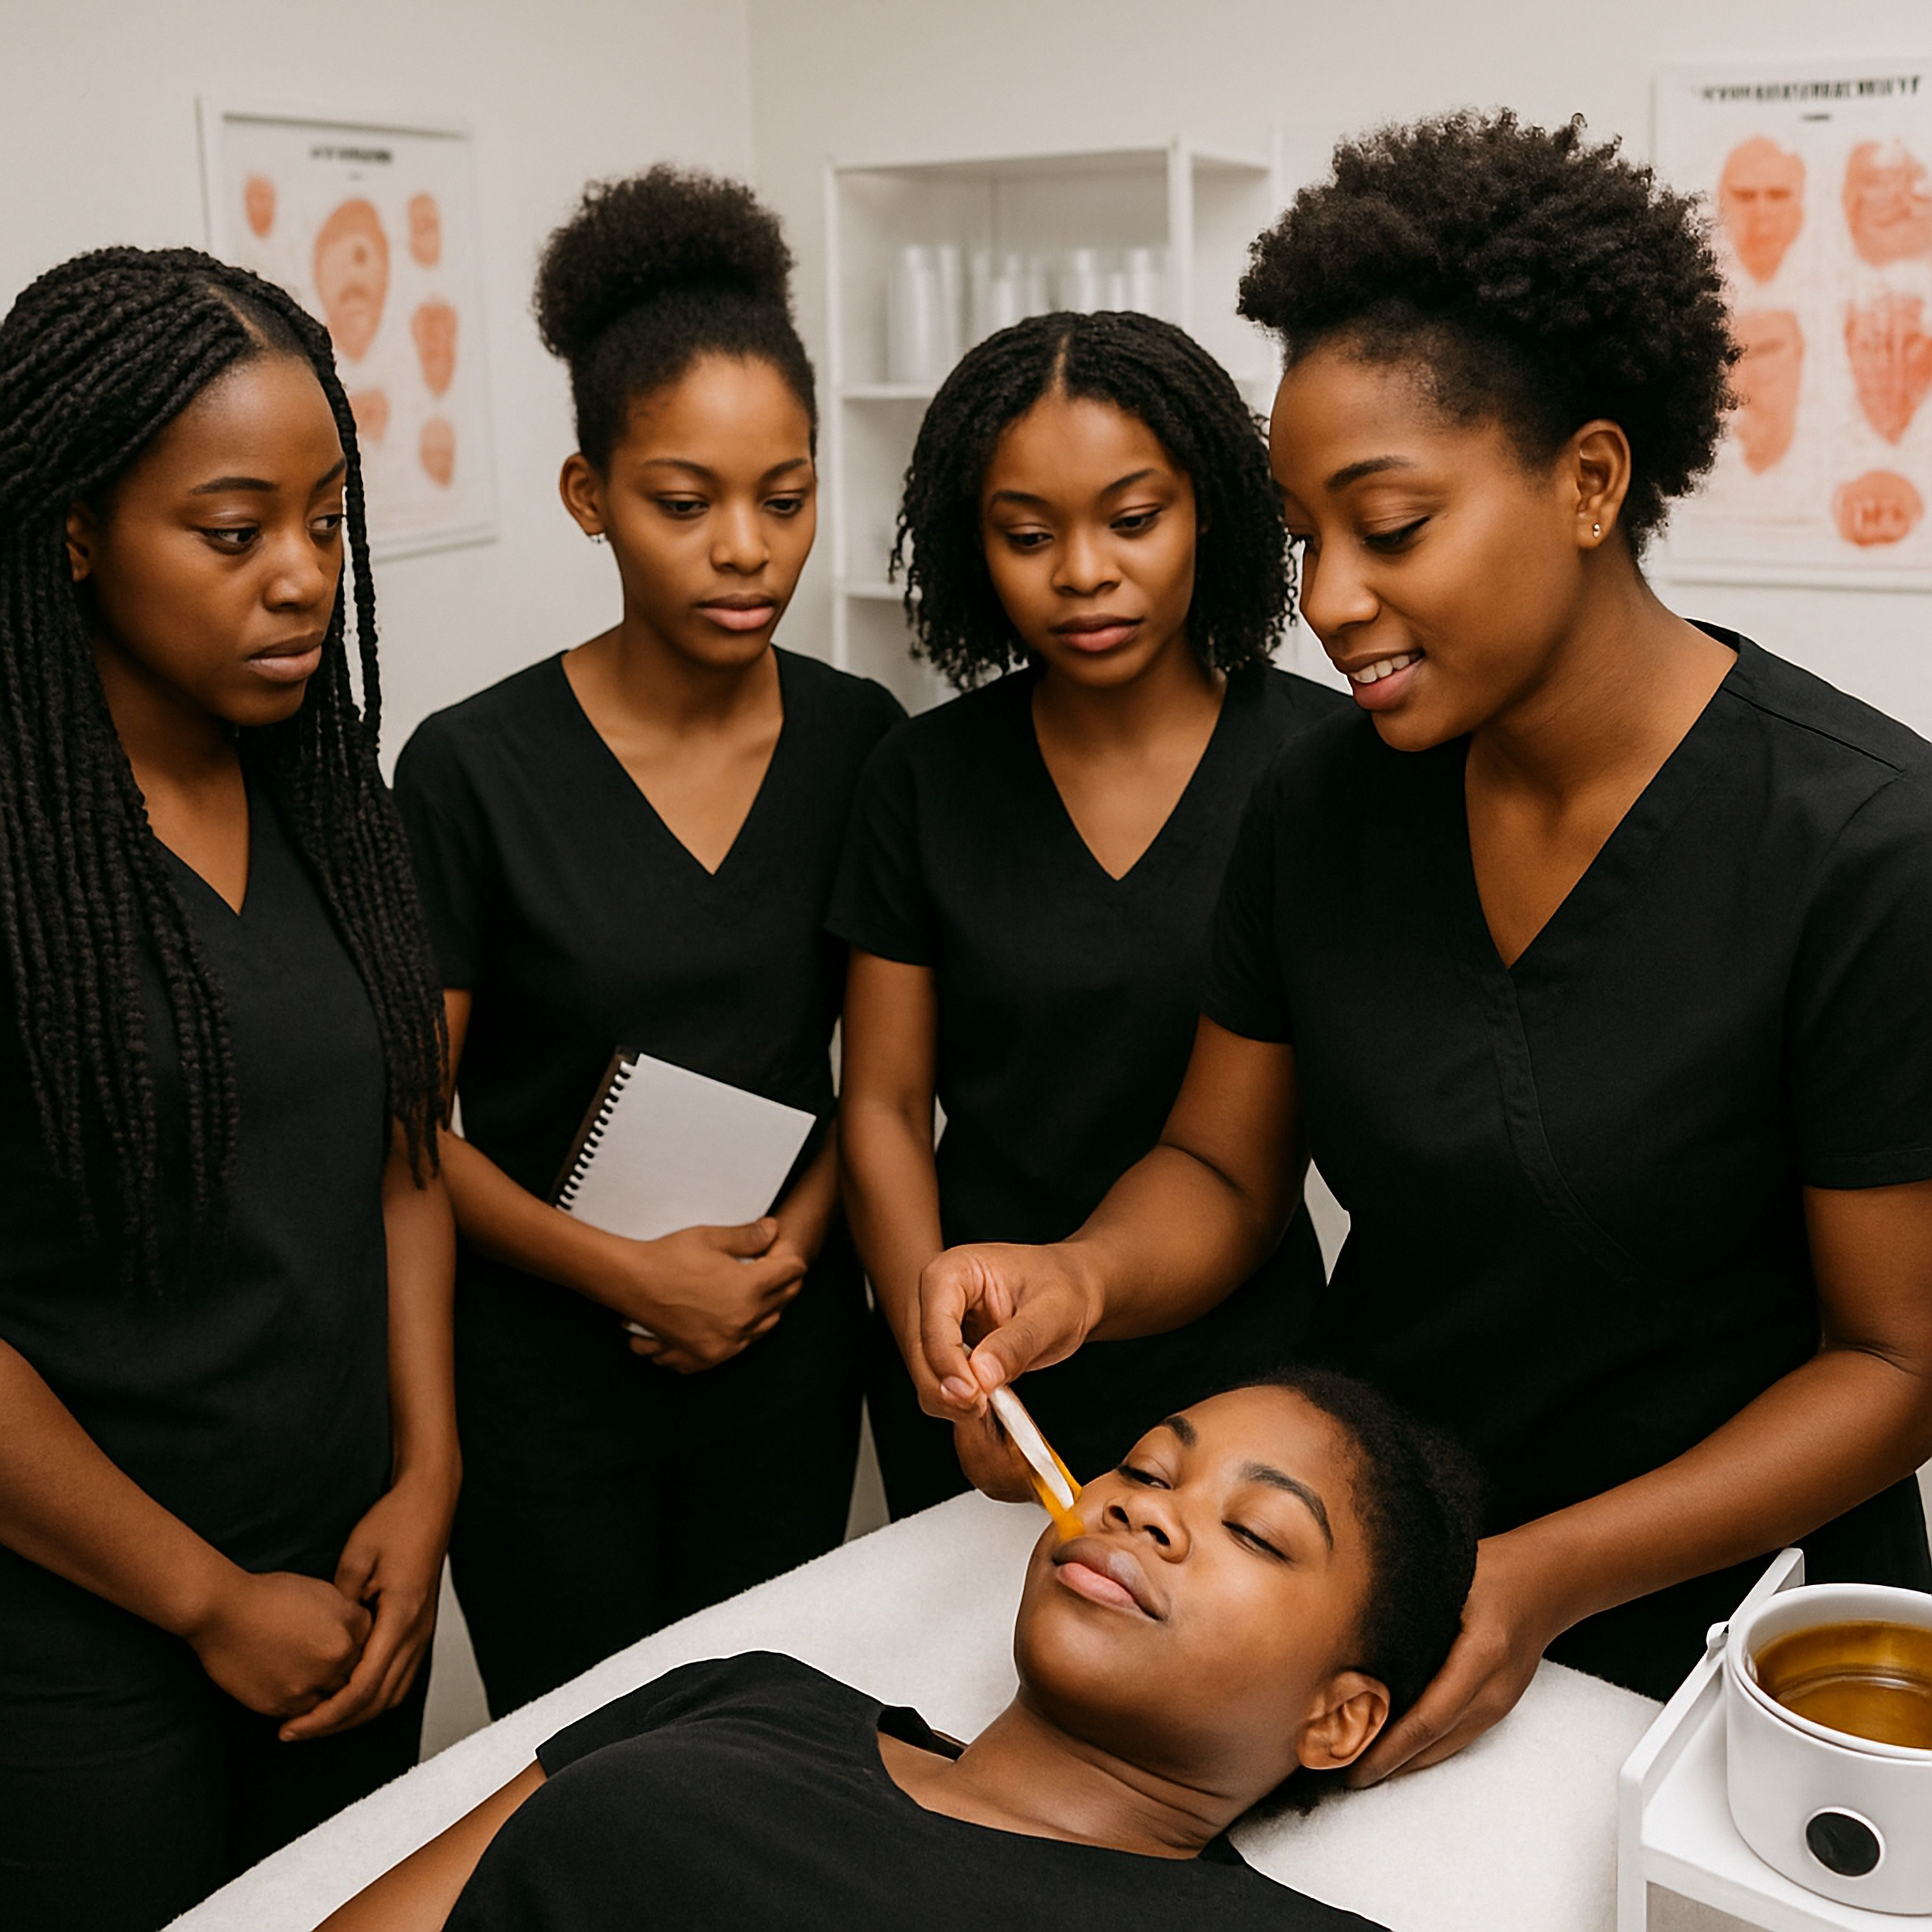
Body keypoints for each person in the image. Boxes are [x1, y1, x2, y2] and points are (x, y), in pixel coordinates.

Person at [913, 113, 1932, 1767]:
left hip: (1739, 1635)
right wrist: (1073, 1276)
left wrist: (1542, 1577)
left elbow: (1893, 1361)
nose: (1322, 596)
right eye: (1303, 531)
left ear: (1588, 480)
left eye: (1387, 528)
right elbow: (1224, 1169)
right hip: (1381, 1582)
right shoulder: (1323, 809)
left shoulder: (1861, 845)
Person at [393, 167, 903, 1719]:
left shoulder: (862, 742)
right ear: (587, 494)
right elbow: (409, 1129)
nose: (745, 548)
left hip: (779, 1350)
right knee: (583, 1760)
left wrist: (792, 1254)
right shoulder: (471, 768)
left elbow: (875, 1078)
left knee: (756, 1747)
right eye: (685, 503)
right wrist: (626, 1270)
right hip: (546, 1380)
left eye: (786, 495)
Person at [0, 248, 456, 1930]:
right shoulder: (28, 852)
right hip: (85, 1630)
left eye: (327, 522)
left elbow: (405, 1149)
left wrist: (428, 1476)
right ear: (73, 535)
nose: (301, 580)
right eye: (233, 529)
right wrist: (198, 1597)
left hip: (347, 1577)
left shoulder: (329, 805)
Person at [319, 1367, 1481, 1931]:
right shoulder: (747, 1696)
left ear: (1339, 1718)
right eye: (1143, 1469)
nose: (1146, 1510)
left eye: (1254, 1530)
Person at [834, 311, 1347, 1515]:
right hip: (983, 1359)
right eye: (1027, 534)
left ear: (1209, 507)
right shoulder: (923, 778)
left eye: (1131, 520)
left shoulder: (1330, 764)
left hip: (1251, 1364)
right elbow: (887, 1106)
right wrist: (949, 1363)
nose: (1082, 573)